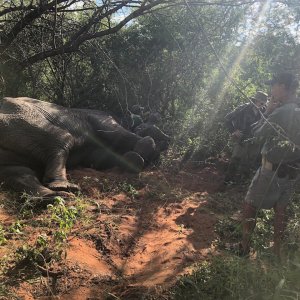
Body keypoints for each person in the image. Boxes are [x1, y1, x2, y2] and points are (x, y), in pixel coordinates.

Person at [238, 72, 300, 257]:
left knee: (250, 205)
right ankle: (276, 252)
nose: (271, 89)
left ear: (283, 86)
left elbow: (256, 135)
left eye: (274, 85)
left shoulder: (282, 111)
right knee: (281, 210)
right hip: (293, 172)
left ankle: (243, 248)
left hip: (270, 170)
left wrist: (267, 112)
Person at [224, 91, 268, 183]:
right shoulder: (244, 108)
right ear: (255, 100)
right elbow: (227, 118)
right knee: (236, 158)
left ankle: (241, 182)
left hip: (255, 140)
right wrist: (233, 131)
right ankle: (227, 181)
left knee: (249, 161)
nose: (262, 104)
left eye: (264, 103)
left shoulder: (264, 111)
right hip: (242, 138)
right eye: (261, 102)